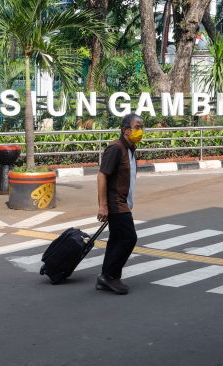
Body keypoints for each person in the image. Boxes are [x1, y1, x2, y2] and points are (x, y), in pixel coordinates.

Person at [96, 114, 144, 295]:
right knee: (128, 238)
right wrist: (103, 205)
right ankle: (109, 276)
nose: (140, 131)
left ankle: (107, 276)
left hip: (123, 202)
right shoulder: (115, 148)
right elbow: (102, 175)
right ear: (125, 130)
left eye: (142, 127)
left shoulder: (130, 148)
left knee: (116, 239)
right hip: (116, 203)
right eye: (137, 127)